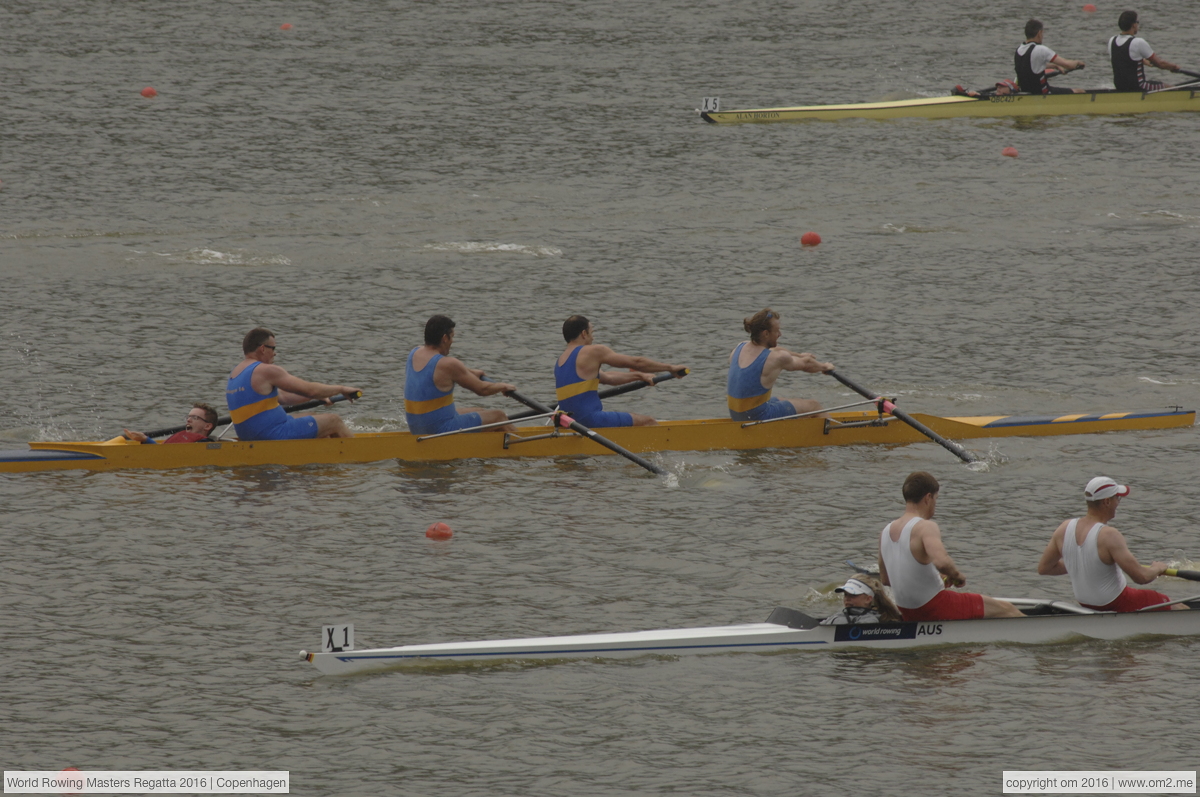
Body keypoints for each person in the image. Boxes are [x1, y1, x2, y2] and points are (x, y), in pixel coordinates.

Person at [878, 471, 1024, 621]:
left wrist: (936, 578)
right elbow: (942, 562)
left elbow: (886, 580)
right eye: (936, 498)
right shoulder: (925, 527)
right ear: (928, 498)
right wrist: (957, 576)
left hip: (908, 611)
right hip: (936, 607)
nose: (935, 504)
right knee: (1008, 609)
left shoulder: (885, 532)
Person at [1037, 477, 1188, 612]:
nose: (1118, 503)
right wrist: (1158, 568)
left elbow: (1044, 568)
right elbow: (1141, 577)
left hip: (1085, 604)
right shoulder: (1109, 535)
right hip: (1117, 602)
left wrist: (1082, 563)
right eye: (1118, 498)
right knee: (1177, 606)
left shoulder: (1064, 528)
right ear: (1107, 502)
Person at [227, 328, 360, 440]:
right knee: (334, 421)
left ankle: (324, 463)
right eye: (273, 348)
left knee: (312, 416)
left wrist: (316, 397)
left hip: (250, 434)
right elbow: (310, 390)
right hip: (272, 434)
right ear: (262, 349)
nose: (275, 353)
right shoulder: (265, 370)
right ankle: (361, 457)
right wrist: (341, 389)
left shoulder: (236, 372)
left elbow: (284, 397)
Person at [555, 315, 686, 427]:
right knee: (648, 421)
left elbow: (608, 378)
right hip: (589, 419)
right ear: (584, 333)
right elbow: (637, 362)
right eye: (592, 333)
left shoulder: (561, 360)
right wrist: (671, 368)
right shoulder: (593, 351)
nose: (593, 338)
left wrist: (639, 376)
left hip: (568, 422)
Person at [404, 315, 516, 436]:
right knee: (499, 417)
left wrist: (470, 372)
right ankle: (526, 447)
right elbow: (482, 389)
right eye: (452, 337)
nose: (453, 341)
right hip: (439, 430)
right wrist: (503, 386)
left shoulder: (414, 352)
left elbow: (449, 370)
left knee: (479, 411)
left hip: (417, 427)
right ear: (445, 338)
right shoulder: (449, 364)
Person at [726, 309, 832, 422]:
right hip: (756, 417)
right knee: (813, 406)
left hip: (737, 414)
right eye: (777, 331)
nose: (780, 334)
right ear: (766, 333)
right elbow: (806, 364)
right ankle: (836, 434)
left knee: (782, 401)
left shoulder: (739, 347)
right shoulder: (776, 358)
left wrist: (799, 355)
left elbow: (774, 349)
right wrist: (825, 367)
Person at [1108, 10, 1181, 92]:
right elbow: (1160, 63)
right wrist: (1173, 67)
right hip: (1138, 86)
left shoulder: (1112, 40)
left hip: (1119, 86)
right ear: (1134, 25)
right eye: (1137, 22)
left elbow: (1123, 58)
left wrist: (1142, 60)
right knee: (1172, 88)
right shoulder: (1138, 42)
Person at [1015, 19, 1086, 95]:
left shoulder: (1019, 50)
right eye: (1042, 34)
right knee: (1080, 92)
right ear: (1039, 33)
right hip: (1042, 93)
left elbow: (1029, 66)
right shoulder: (1041, 49)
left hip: (1024, 92)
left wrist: (1054, 66)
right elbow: (1068, 65)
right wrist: (1078, 62)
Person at [819, 574, 903, 625]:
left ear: (868, 599)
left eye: (853, 595)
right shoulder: (838, 615)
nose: (847, 599)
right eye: (846, 595)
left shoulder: (870, 619)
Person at [123, 403, 219, 443]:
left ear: (207, 426)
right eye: (188, 417)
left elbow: (164, 454)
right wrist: (144, 439)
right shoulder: (185, 438)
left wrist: (146, 439)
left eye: (195, 418)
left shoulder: (203, 443)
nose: (188, 420)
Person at [953, 79, 1021, 98]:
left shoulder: (1013, 95)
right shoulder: (995, 95)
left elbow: (987, 96)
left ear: (1011, 91)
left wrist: (977, 95)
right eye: (998, 86)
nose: (998, 88)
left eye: (1002, 86)